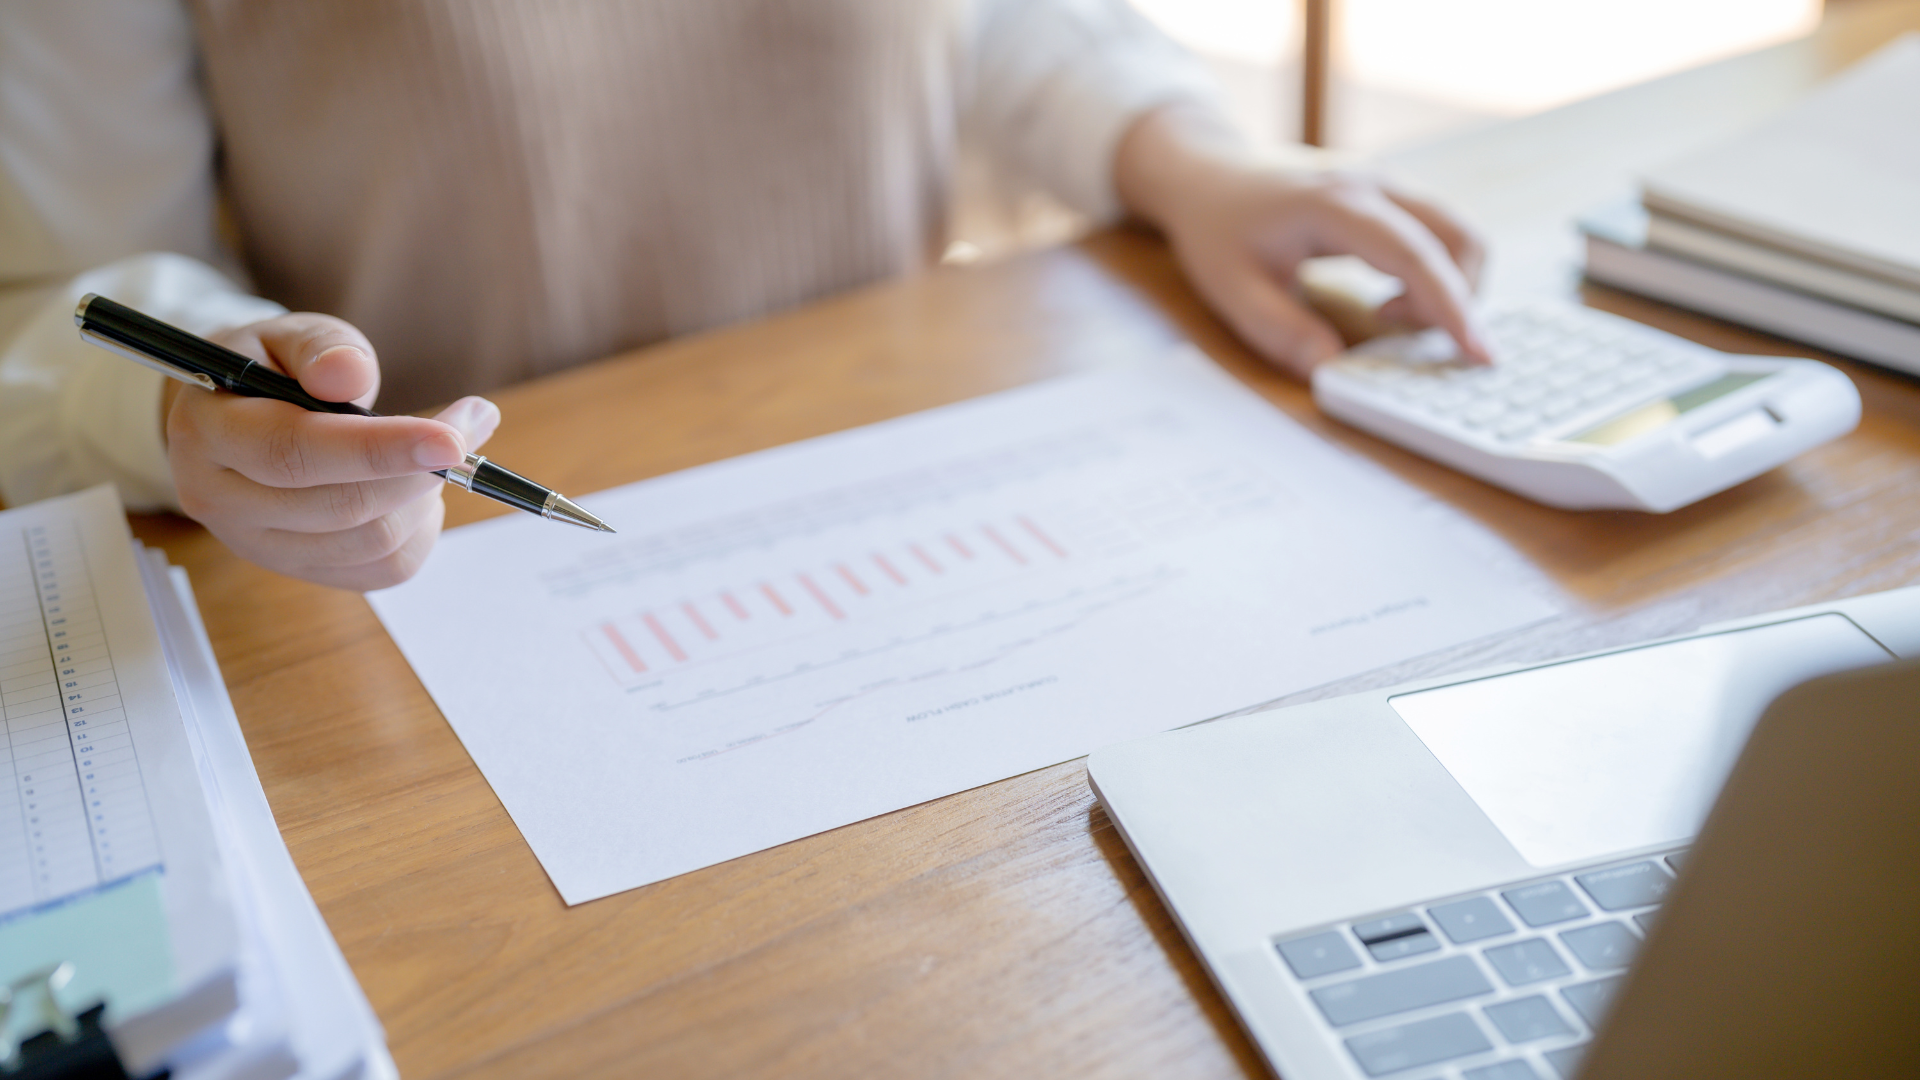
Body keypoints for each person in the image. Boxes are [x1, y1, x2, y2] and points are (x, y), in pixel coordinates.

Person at [0, 0, 1488, 591]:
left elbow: (989, 22)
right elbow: (69, 289)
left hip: (911, 511)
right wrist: (188, 403)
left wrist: (1186, 160)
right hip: (426, 585)